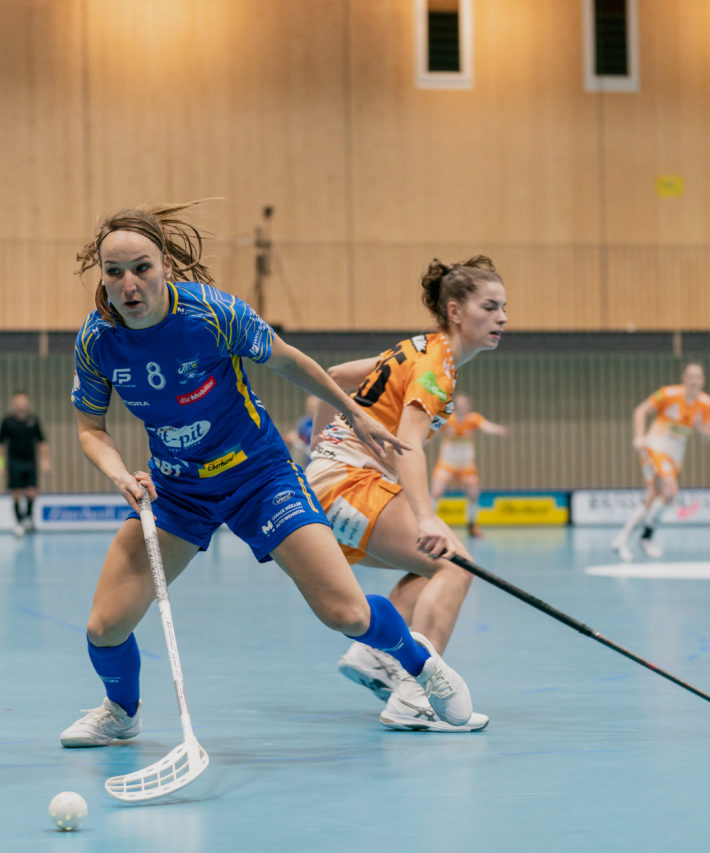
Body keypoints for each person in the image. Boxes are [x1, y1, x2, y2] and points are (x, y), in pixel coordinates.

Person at [60, 203, 483, 749]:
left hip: (260, 477)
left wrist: (352, 411)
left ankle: (422, 667)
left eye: (141, 267)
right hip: (178, 491)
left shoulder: (211, 314)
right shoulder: (98, 340)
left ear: (165, 264)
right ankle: (121, 712)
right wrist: (120, 473)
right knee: (104, 628)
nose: (129, 284)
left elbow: (286, 360)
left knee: (347, 613)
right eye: (114, 272)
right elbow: (91, 426)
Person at [305, 256, 507, 731]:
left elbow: (332, 376)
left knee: (426, 567)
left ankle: (377, 655)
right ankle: (417, 696)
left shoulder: (417, 349)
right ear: (455, 311)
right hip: (351, 483)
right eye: (490, 306)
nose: (502, 318)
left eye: (504, 309)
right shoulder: (437, 366)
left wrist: (317, 447)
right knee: (455, 566)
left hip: (336, 482)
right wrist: (426, 517)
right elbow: (410, 445)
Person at [610, 363, 710, 561]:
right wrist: (639, 437)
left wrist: (700, 426)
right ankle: (630, 539)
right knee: (670, 489)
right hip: (656, 446)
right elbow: (640, 411)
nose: (694, 381)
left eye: (698, 377)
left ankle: (630, 539)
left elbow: (708, 435)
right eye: (690, 377)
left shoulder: (706, 403)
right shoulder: (667, 394)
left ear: (703, 381)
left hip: (676, 454)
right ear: (684, 378)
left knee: (659, 496)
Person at [429, 392, 509, 539]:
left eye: (464, 405)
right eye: (458, 405)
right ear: (454, 407)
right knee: (436, 492)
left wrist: (498, 430)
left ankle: (472, 525)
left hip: (466, 464)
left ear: (468, 407)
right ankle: (429, 524)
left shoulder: (473, 419)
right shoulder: (446, 419)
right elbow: (431, 431)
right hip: (447, 462)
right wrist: (422, 439)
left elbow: (486, 426)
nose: (461, 408)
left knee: (473, 494)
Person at [0, 391, 50, 537]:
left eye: (23, 401)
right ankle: (19, 522)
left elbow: (42, 442)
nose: (21, 405)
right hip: (14, 462)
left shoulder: (33, 420)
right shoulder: (7, 422)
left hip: (30, 462)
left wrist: (45, 461)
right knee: (17, 493)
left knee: (32, 491)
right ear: (13, 403)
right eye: (18, 402)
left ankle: (29, 519)